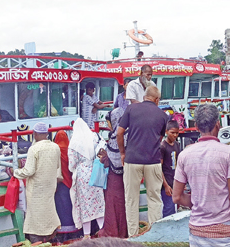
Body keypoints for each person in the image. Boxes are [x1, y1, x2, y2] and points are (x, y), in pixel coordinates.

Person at [172, 104, 230, 247]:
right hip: (223, 232)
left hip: (196, 231)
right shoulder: (229, 153)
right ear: (218, 125)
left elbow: (177, 197)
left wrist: (199, 202)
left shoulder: (184, 155)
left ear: (196, 127)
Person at [117, 85, 169, 237]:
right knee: (154, 198)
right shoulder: (163, 115)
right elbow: (159, 138)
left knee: (131, 199)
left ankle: (133, 235)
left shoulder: (131, 109)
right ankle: (155, 236)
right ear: (157, 100)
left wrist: (122, 153)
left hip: (132, 159)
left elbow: (120, 133)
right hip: (153, 161)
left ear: (144, 96)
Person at [14, 122, 63, 243]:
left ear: (34, 134)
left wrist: (15, 172)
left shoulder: (34, 149)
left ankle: (37, 239)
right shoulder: (55, 147)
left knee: (35, 215)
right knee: (49, 211)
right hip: (50, 185)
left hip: (36, 188)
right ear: (47, 133)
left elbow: (29, 171)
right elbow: (57, 167)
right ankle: (50, 236)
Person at [69, 118, 107, 237]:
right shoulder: (94, 137)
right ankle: (103, 229)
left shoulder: (74, 143)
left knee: (85, 205)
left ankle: (86, 235)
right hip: (96, 171)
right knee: (98, 202)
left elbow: (72, 163)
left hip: (82, 175)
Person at [98, 107, 128, 239]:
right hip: (126, 178)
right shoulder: (128, 133)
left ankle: (113, 232)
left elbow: (115, 161)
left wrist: (104, 157)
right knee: (124, 206)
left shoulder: (117, 137)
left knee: (113, 206)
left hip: (115, 179)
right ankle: (123, 232)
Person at [54, 130, 79, 239]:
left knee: (61, 209)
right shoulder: (70, 150)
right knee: (70, 207)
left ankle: (62, 235)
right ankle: (73, 232)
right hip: (70, 183)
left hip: (60, 185)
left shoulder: (56, 150)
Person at [160, 120, 181, 217]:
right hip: (166, 183)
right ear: (166, 132)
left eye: (177, 133)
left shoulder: (177, 145)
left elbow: (179, 164)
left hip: (175, 182)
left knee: (175, 209)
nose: (175, 135)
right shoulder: (163, 147)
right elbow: (159, 168)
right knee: (169, 209)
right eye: (172, 133)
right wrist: (165, 185)